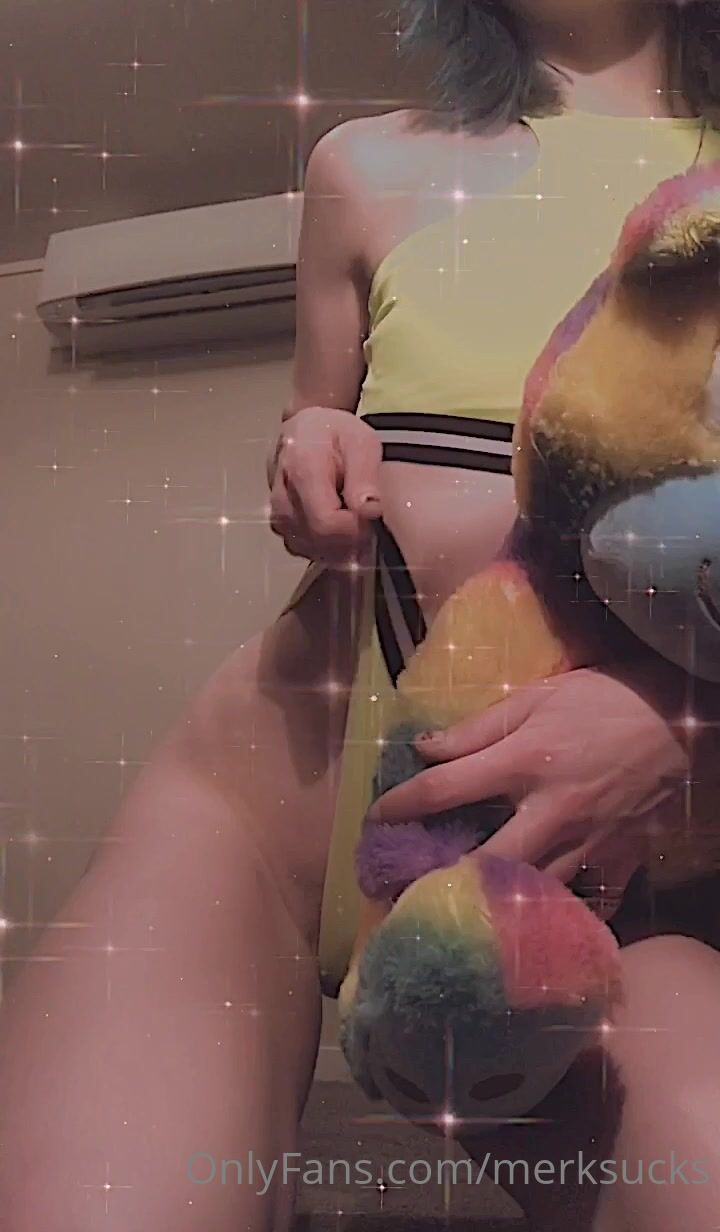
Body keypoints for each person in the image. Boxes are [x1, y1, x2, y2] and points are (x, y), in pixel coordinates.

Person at [2, 1, 720, 1229]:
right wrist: (307, 444)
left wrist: (685, 717)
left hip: (597, 882)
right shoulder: (363, 164)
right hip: (269, 810)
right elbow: (317, 420)